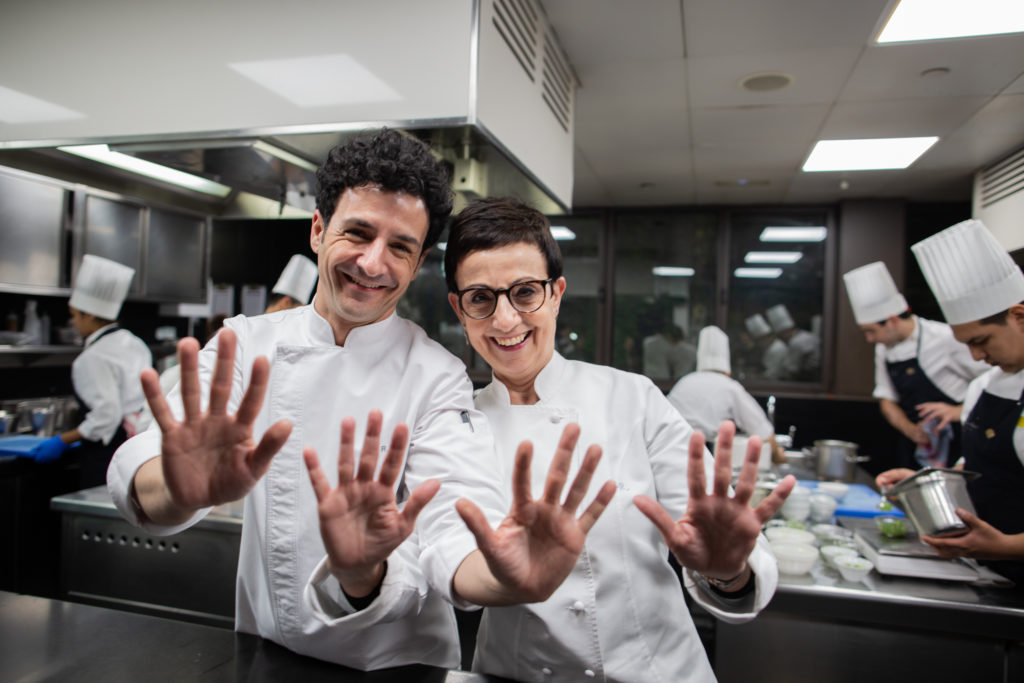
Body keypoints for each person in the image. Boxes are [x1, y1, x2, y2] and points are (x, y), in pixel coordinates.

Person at [107, 129, 615, 671]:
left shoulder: (436, 376)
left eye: (400, 246)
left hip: (400, 667)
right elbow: (147, 473)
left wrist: (494, 575)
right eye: (358, 233)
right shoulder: (243, 345)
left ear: (417, 262)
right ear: (319, 230)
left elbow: (452, 519)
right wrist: (178, 487)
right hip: (268, 656)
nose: (374, 264)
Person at [443, 197, 794, 682]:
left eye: (525, 292)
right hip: (519, 673)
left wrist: (727, 572)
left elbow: (721, 540)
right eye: (481, 298)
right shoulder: (456, 425)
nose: (505, 320)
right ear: (459, 309)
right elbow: (448, 557)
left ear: (557, 293)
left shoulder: (633, 397)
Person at [876, 219, 1024, 584]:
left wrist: (1003, 546)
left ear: (1019, 317)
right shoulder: (982, 387)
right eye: (967, 345)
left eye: (982, 341)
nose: (975, 357)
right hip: (986, 575)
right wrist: (920, 488)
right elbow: (971, 473)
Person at [843, 261, 988, 469]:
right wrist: (911, 430)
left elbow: (990, 381)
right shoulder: (884, 348)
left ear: (892, 321)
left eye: (871, 331)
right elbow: (887, 399)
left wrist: (957, 411)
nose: (869, 339)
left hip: (957, 441)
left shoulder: (945, 338)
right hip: (916, 443)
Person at [30, 255, 152, 488]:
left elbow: (106, 415)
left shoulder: (91, 358)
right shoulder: (134, 342)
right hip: (136, 449)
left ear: (91, 315)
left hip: (105, 456)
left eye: (75, 315)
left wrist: (62, 440)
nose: (73, 322)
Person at [668, 325, 785, 462]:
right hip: (698, 454)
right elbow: (761, 430)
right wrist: (778, 456)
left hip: (666, 449)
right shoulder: (729, 386)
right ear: (727, 370)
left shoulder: (685, 381)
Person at [766, 303, 820, 381]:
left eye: (781, 335)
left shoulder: (796, 342)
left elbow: (792, 370)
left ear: (784, 332)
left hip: (809, 379)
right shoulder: (807, 335)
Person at [746, 313, 787, 380]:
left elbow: (772, 373)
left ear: (767, 337)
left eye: (759, 340)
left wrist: (756, 377)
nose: (759, 343)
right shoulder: (770, 348)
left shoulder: (778, 348)